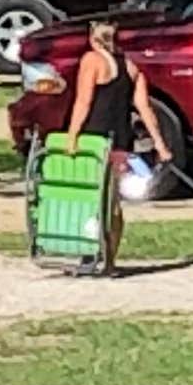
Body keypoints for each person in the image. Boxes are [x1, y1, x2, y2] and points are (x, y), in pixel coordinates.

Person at [55, 16, 146, 273]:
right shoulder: (129, 66)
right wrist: (160, 145)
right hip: (120, 140)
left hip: (95, 140)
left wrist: (72, 135)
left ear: (93, 38)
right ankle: (110, 260)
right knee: (113, 202)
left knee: (90, 200)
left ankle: (90, 254)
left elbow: (83, 101)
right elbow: (144, 108)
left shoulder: (91, 61)